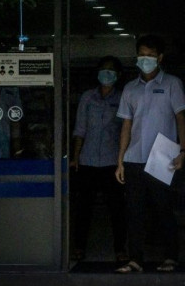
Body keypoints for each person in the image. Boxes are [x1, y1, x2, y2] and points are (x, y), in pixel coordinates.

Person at [114, 34, 185, 273]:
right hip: (134, 157)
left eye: (151, 56)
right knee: (134, 211)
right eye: (142, 55)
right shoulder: (130, 88)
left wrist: (183, 150)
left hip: (162, 157)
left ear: (160, 58)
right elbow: (126, 124)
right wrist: (120, 160)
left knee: (163, 209)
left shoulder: (172, 84)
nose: (146, 59)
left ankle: (171, 257)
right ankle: (135, 259)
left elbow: (180, 118)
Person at [70, 56, 127, 264]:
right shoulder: (88, 97)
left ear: (118, 75)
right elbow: (80, 128)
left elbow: (126, 131)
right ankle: (79, 247)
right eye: (103, 69)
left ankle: (120, 248)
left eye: (111, 70)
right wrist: (76, 157)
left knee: (117, 209)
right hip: (88, 160)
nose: (106, 73)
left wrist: (123, 161)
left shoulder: (123, 97)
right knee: (84, 208)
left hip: (113, 161)